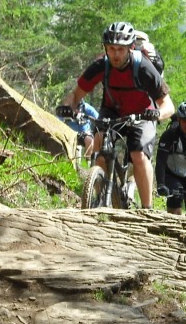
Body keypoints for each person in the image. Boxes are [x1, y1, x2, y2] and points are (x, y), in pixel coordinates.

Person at [58, 21, 175, 207]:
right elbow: (75, 95)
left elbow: (168, 105)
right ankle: (100, 198)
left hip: (142, 115)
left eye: (120, 49)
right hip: (112, 112)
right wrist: (66, 107)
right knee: (99, 148)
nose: (115, 54)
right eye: (111, 48)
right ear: (105, 48)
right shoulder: (101, 65)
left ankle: (147, 209)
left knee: (138, 155)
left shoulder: (144, 67)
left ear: (130, 47)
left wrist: (156, 114)